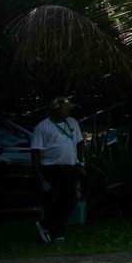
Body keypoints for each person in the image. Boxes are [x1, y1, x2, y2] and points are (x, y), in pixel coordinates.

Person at [30, 97, 85, 243]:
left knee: (71, 200)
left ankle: (47, 225)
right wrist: (39, 176)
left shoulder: (72, 122)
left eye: (69, 109)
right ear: (55, 109)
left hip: (70, 168)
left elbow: (80, 143)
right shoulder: (42, 127)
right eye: (65, 108)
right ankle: (57, 233)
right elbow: (35, 152)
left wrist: (81, 163)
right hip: (51, 169)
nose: (68, 111)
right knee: (53, 200)